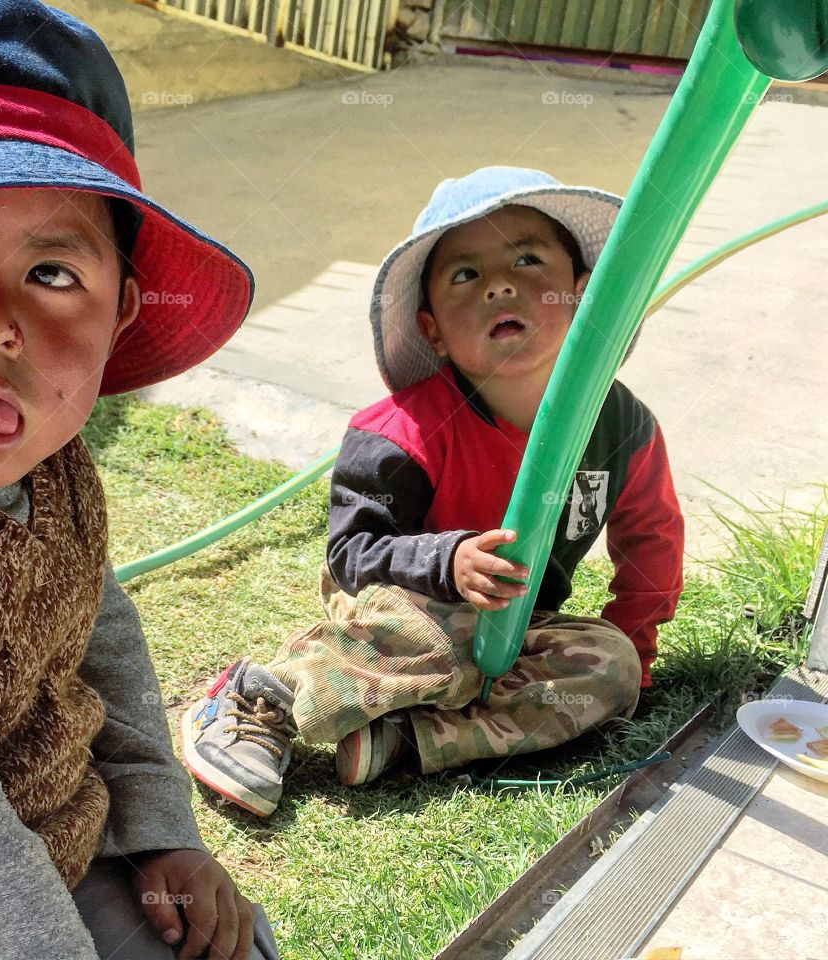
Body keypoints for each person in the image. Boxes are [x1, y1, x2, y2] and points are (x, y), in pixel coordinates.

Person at [0, 2, 279, 958]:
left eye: (51, 273)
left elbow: (95, 623)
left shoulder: (51, 468)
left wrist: (157, 825)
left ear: (122, 315)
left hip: (55, 844)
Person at [182, 167, 685, 817]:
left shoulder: (624, 427)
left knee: (610, 666)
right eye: (465, 276)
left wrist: (636, 655)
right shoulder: (400, 433)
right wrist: (447, 562)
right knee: (436, 643)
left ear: (583, 297)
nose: (501, 283)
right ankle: (262, 700)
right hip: (405, 601)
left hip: (514, 625)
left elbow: (653, 544)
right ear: (433, 330)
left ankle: (405, 738)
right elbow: (353, 554)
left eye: (528, 259)